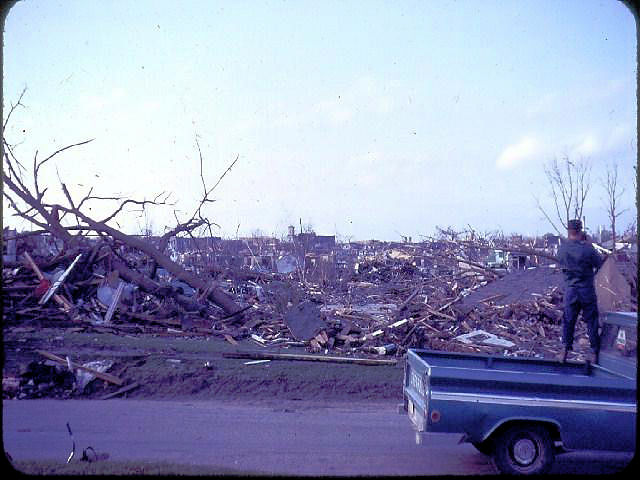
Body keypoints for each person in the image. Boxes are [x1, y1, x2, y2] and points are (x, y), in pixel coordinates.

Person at [556, 219, 605, 363]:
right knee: (591, 321)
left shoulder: (562, 249)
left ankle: (564, 350)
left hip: (571, 290)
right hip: (586, 290)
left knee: (568, 320)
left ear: (569, 231)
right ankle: (594, 352)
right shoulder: (588, 249)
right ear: (581, 230)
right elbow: (600, 263)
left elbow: (560, 261)